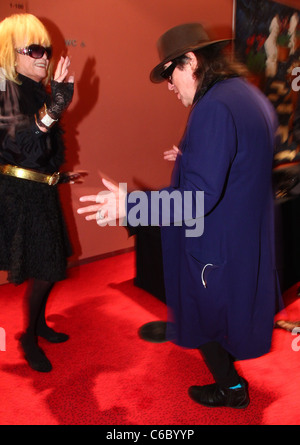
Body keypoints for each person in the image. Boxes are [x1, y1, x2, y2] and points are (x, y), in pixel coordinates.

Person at [78, 23, 282, 408]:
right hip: (241, 238)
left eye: (169, 75)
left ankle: (231, 389)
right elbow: (242, 161)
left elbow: (197, 200)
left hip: (213, 245)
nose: (170, 87)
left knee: (203, 317)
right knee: (226, 316)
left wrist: (130, 206)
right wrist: (192, 157)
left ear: (190, 62)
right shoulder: (246, 95)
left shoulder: (213, 107)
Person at [0, 13, 76, 373]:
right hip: (19, 195)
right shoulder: (4, 87)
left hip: (39, 190)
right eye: (33, 49)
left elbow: (41, 151)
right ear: (10, 54)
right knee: (45, 267)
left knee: (47, 264)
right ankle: (27, 337)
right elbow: (20, 142)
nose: (44, 56)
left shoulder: (33, 90)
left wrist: (58, 177)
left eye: (45, 49)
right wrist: (57, 106)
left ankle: (39, 325)